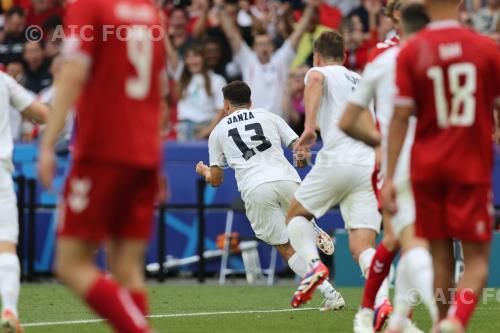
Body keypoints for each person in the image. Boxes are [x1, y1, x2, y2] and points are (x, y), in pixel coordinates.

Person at [38, 0, 167, 332]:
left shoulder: (90, 6)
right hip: (143, 152)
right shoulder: (150, 13)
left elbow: (74, 71)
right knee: (127, 268)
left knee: (70, 264)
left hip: (102, 151)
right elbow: (160, 89)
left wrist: (48, 143)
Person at [382, 0, 500, 332]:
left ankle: (442, 321)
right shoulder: (486, 49)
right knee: (476, 262)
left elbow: (400, 118)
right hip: (471, 165)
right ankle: (454, 322)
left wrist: (389, 177)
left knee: (439, 258)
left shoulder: (411, 50)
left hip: (426, 167)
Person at [196, 80, 345, 311]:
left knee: (286, 247)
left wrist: (205, 171)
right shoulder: (268, 115)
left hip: (256, 187)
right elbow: (299, 147)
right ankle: (311, 226)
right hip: (288, 179)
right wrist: (302, 158)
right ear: (250, 102)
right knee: (300, 232)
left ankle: (330, 293)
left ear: (226, 105)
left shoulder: (218, 131)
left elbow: (216, 180)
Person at [340, 3, 439, 333]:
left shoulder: (431, 54)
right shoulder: (385, 54)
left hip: (426, 158)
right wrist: (379, 143)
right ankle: (408, 318)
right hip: (401, 160)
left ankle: (377, 314)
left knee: (402, 238)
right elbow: (366, 111)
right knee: (408, 238)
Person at [285, 31, 382, 309]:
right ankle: (382, 301)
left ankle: (314, 266)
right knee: (364, 248)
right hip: (368, 165)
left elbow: (315, 78)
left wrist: (309, 126)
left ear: (317, 56)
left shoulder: (317, 71)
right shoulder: (362, 80)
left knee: (295, 215)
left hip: (337, 159)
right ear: (345, 56)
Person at [0, 72, 49, 332]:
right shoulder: (3, 80)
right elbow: (43, 114)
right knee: (5, 245)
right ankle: (9, 309)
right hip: (0, 174)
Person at [217, 0, 320, 118]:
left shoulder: (281, 59)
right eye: (260, 44)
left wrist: (311, 7)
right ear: (254, 48)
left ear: (273, 47)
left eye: (267, 44)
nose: (264, 48)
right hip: (253, 122)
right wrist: (220, 7)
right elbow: (231, 35)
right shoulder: (248, 60)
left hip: (278, 123)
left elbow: (299, 33)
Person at [166, 42, 226, 141]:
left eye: (195, 56)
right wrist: (161, 29)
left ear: (204, 58)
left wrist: (209, 130)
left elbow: (221, 109)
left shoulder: (217, 79)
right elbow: (171, 54)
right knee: (183, 157)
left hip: (209, 127)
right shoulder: (180, 76)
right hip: (185, 127)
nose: (191, 60)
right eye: (188, 57)